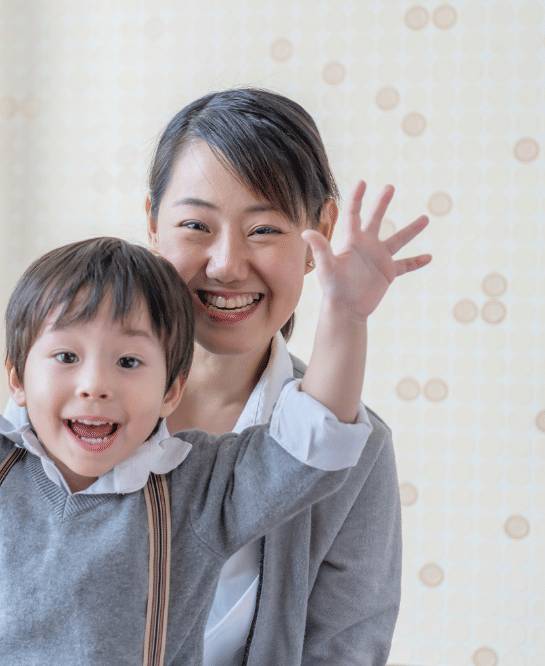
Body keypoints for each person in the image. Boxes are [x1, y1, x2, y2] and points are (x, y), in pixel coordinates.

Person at [0, 152, 428, 663]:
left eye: (128, 363)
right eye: (65, 358)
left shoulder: (197, 490)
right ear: (16, 376)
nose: (95, 385)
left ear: (169, 389)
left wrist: (345, 315)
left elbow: (310, 447)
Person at [145, 87, 430, 665]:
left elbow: (347, 649)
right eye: (195, 224)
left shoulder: (357, 451)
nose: (226, 265)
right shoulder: (80, 404)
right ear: (152, 223)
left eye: (264, 230)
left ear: (317, 232)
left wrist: (347, 315)